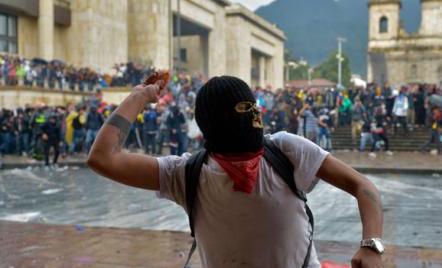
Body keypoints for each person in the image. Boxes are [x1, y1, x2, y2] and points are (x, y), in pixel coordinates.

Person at [87, 75, 384, 267]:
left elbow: (362, 186)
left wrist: (372, 246)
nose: (255, 116)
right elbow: (103, 158)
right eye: (244, 110)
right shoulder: (185, 173)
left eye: (254, 107)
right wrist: (139, 96)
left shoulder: (287, 150)